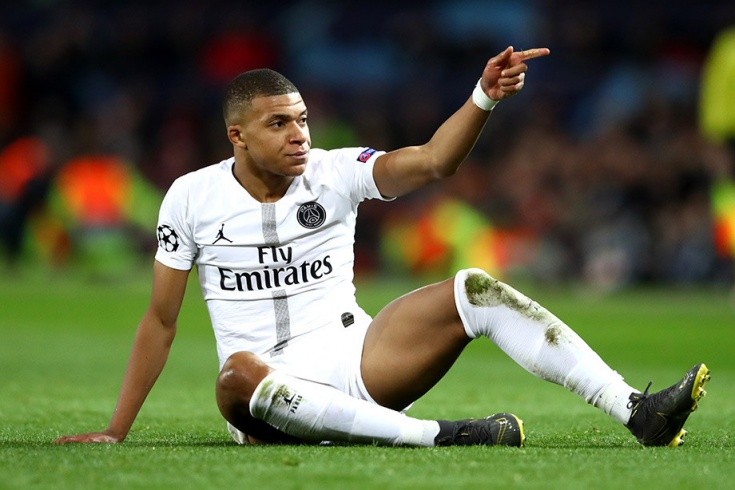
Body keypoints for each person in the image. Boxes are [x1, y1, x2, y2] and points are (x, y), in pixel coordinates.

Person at [54, 46, 709, 448]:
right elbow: (160, 321)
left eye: (302, 119)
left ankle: (635, 410)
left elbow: (433, 161)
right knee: (235, 374)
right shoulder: (189, 197)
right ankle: (442, 436)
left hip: (359, 361)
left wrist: (482, 97)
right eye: (278, 123)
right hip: (265, 398)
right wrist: (116, 429)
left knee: (474, 289)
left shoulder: (335, 171)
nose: (298, 134)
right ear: (237, 136)